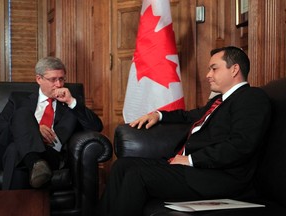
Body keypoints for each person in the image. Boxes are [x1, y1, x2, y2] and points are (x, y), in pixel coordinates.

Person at [98, 46, 272, 216]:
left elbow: (241, 145)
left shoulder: (252, 98)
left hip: (218, 176)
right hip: (193, 169)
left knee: (137, 175)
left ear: (234, 69)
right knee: (122, 165)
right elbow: (188, 116)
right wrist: (158, 115)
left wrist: (190, 160)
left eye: (214, 69)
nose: (208, 75)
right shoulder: (219, 102)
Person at [0, 56, 103, 189]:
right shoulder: (18, 99)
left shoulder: (70, 105)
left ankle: (11, 209)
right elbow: (0, 127)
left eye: (61, 79)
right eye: (53, 79)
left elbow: (96, 127)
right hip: (9, 147)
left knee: (14, 151)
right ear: (39, 79)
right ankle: (35, 163)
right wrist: (33, 130)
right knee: (22, 115)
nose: (58, 84)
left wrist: (72, 102)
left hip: (49, 153)